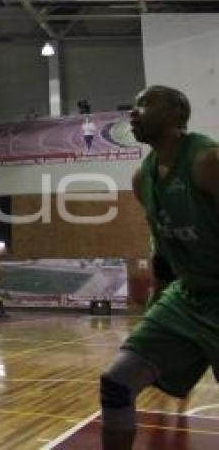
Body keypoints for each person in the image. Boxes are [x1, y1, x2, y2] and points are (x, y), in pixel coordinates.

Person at [99, 86, 219, 449]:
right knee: (117, 382)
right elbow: (164, 251)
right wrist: (156, 302)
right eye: (134, 103)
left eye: (146, 103)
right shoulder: (142, 178)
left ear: (176, 117)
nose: (134, 111)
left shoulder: (206, 161)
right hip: (188, 296)